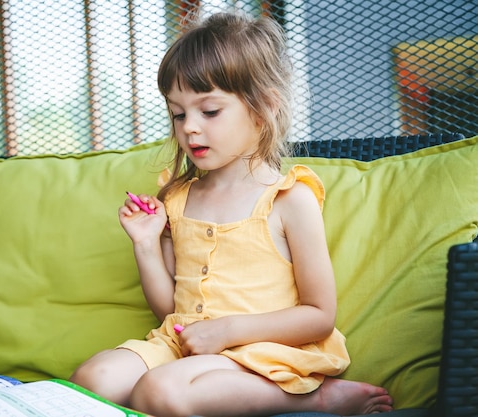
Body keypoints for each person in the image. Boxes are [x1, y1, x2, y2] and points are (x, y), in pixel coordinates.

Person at [70, 11, 393, 417]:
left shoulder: (289, 199)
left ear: (263, 109)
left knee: (159, 391)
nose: (189, 128)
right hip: (183, 345)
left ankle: (318, 397)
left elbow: (319, 316)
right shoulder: (178, 199)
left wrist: (228, 331)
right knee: (90, 382)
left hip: (258, 355)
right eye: (178, 113)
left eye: (209, 111)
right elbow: (169, 309)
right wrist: (147, 242)